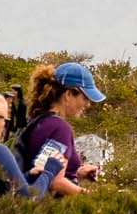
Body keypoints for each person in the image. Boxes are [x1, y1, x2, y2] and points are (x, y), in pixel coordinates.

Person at [19, 60, 105, 192]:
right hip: (52, 207)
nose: (87, 104)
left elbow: (43, 167)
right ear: (68, 94)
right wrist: (92, 198)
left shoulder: (38, 121)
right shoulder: (60, 128)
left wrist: (76, 172)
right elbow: (55, 182)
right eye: (85, 98)